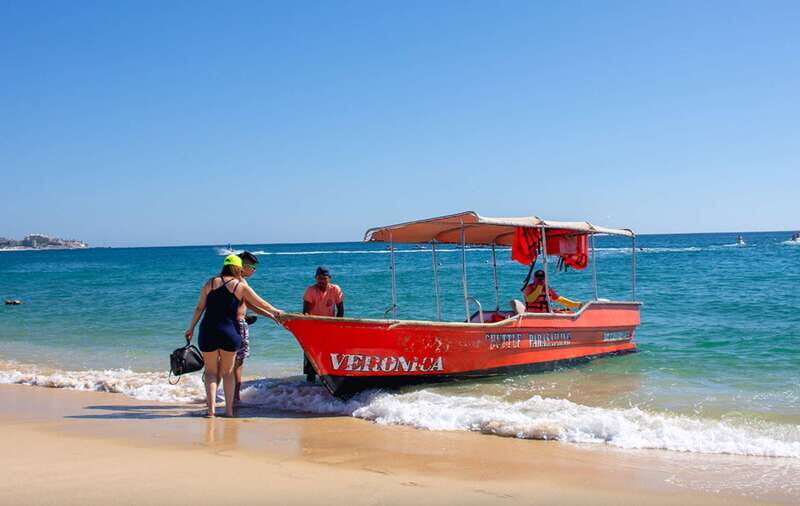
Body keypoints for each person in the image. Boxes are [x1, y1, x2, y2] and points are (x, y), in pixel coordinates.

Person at [185, 254, 283, 417]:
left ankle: (211, 411)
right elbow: (260, 302)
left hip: (208, 331)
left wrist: (191, 328)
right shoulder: (240, 286)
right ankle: (229, 411)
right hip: (230, 332)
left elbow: (199, 308)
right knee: (228, 372)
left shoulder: (210, 282)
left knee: (210, 373)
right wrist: (276, 311)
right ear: (238, 267)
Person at [301, 266, 344, 382]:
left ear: (329, 278)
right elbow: (305, 312)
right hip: (313, 327)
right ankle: (310, 383)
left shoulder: (335, 289)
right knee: (311, 356)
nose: (322, 281)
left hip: (330, 327)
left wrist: (337, 327)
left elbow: (340, 310)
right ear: (315, 278)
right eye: (319, 278)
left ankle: (330, 380)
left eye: (324, 278)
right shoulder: (310, 290)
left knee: (330, 354)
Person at [232, 251, 259, 405]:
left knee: (224, 362)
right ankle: (235, 397)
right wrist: (274, 314)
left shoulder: (222, 280)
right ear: (242, 266)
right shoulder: (241, 282)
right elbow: (256, 303)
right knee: (238, 363)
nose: (253, 271)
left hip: (223, 324)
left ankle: (215, 396)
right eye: (252, 267)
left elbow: (246, 304)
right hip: (238, 324)